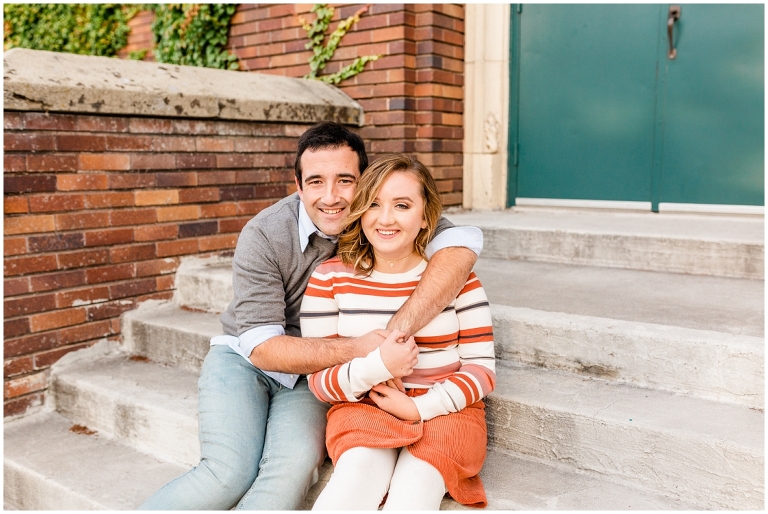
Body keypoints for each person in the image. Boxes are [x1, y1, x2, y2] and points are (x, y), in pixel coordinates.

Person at [139, 122, 483, 510]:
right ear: (299, 186)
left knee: (290, 469)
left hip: (315, 376)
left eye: (345, 180)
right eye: (316, 182)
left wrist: (391, 338)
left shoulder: (384, 217)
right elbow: (263, 348)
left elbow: (460, 246)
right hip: (246, 359)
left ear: (366, 182)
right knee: (228, 473)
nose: (331, 197)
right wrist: (363, 350)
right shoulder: (266, 234)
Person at [301, 154, 495, 510]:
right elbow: (320, 380)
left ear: (425, 218)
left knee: (413, 492)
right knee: (353, 483)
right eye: (373, 204)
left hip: (446, 410)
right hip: (363, 405)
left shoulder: (457, 279)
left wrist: (418, 407)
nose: (385, 219)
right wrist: (378, 366)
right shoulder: (330, 278)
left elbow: (481, 370)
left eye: (402, 205)